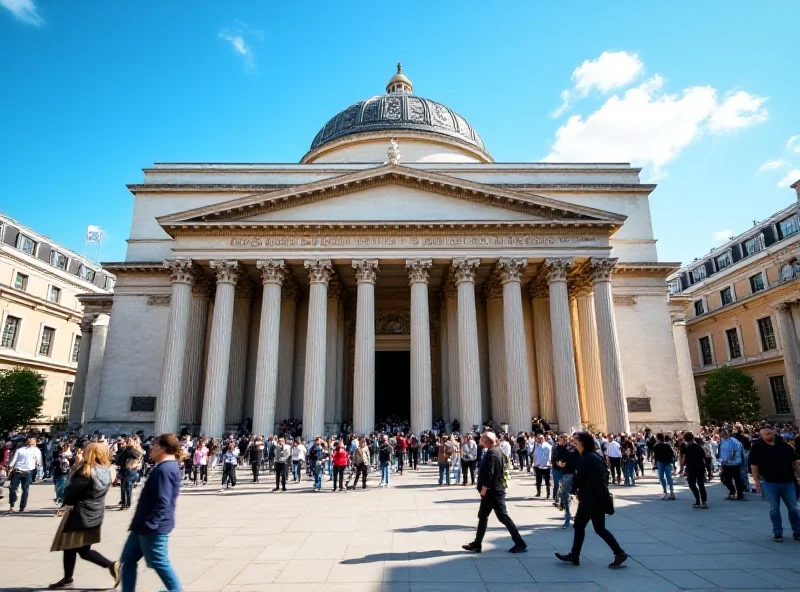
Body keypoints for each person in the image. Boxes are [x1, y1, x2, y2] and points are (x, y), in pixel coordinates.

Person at [47, 443, 120, 590]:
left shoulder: (86, 469)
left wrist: (65, 505)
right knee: (76, 548)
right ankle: (68, 579)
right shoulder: (107, 471)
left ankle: (111, 565)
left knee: (76, 548)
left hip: (79, 513)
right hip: (96, 511)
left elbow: (73, 490)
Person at [120, 433, 182, 592]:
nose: (150, 447)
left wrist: (151, 524)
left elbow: (164, 501)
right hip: (141, 526)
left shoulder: (165, 470)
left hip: (152, 528)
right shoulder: (165, 467)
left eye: (154, 444)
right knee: (127, 560)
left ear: (162, 448)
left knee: (160, 563)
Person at [555, 432, 627, 568]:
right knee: (579, 525)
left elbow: (597, 480)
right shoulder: (587, 457)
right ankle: (574, 554)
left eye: (575, 440)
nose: (573, 442)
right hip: (589, 498)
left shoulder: (590, 459)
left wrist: (585, 494)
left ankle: (619, 553)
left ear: (583, 442)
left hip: (593, 499)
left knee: (599, 528)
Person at [462, 431, 527, 554]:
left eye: (482, 440)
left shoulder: (492, 453)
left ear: (488, 442)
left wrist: (484, 488)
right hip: (493, 491)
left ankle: (520, 543)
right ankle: (477, 544)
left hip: (493, 492)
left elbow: (490, 473)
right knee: (482, 516)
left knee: (503, 517)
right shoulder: (497, 451)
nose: (480, 442)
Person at [749, 423, 800, 541]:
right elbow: (754, 466)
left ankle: (797, 531)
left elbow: (795, 462)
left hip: (788, 481)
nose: (770, 435)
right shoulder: (757, 448)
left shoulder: (784, 446)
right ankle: (778, 532)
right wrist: (757, 482)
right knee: (774, 508)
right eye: (766, 434)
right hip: (770, 482)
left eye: (771, 432)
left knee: (793, 507)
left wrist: (798, 475)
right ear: (761, 436)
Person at [7, 435, 42, 513]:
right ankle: (21, 507)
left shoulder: (20, 450)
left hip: (19, 470)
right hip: (25, 471)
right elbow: (39, 463)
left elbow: (13, 461)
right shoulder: (36, 450)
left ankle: (13, 507)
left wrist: (10, 468)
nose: (31, 442)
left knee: (13, 488)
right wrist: (38, 474)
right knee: (24, 489)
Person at [681, 431, 708, 509]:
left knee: (692, 484)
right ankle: (704, 501)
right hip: (700, 467)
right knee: (701, 484)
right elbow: (704, 456)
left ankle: (698, 501)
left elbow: (683, 456)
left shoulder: (686, 448)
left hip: (691, 468)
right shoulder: (699, 447)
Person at [719, 429, 746, 500]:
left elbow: (735, 450)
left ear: (727, 434)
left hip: (734, 463)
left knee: (737, 479)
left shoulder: (733, 441)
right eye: (721, 435)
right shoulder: (722, 441)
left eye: (723, 434)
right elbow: (722, 453)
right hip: (726, 463)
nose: (722, 436)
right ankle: (732, 491)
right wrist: (722, 462)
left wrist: (730, 458)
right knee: (726, 479)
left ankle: (740, 494)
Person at [652, 433, 676, 500]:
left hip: (660, 462)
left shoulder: (656, 446)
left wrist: (654, 465)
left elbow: (655, 457)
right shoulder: (667, 445)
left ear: (657, 438)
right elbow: (672, 453)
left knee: (661, 477)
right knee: (669, 477)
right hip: (668, 462)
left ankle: (666, 493)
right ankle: (672, 493)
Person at [533, 434, 553, 499]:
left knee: (547, 480)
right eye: (538, 438)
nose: (539, 439)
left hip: (546, 465)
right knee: (538, 480)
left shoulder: (547, 445)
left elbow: (549, 454)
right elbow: (534, 454)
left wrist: (549, 461)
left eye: (541, 438)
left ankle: (548, 494)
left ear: (543, 438)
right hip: (537, 465)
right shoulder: (536, 445)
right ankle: (538, 492)